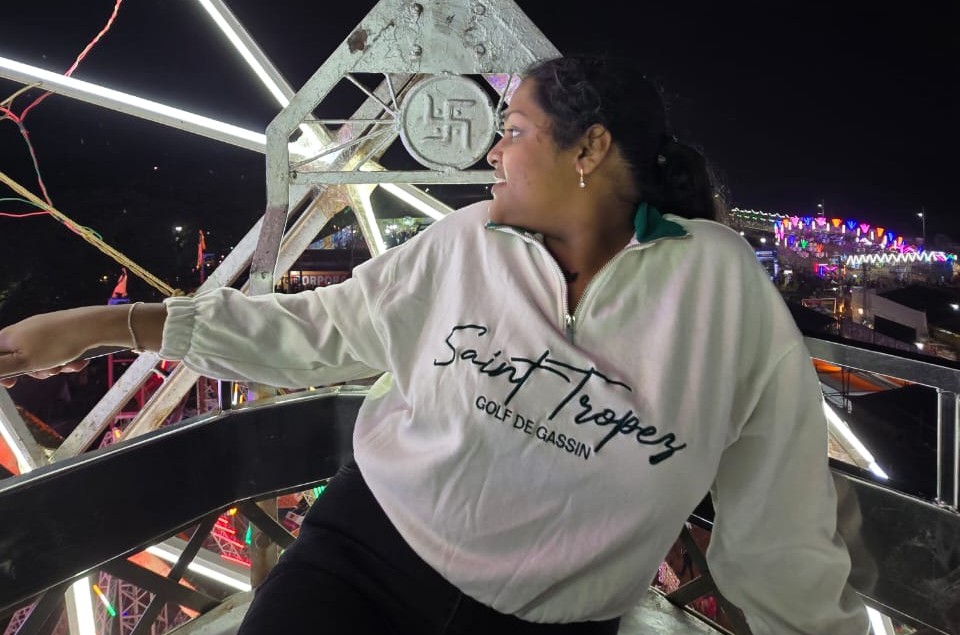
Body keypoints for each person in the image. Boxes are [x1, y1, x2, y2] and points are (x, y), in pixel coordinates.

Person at [0, 55, 868, 634]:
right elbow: (315, 329)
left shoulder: (724, 294)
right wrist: (101, 324)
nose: (493, 152)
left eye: (516, 130)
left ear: (589, 149)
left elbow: (780, 518)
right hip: (362, 558)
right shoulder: (466, 241)